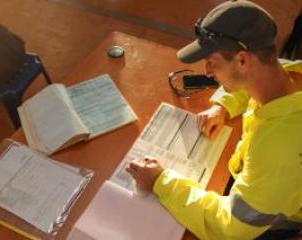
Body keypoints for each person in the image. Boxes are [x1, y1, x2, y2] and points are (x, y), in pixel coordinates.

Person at [126, 0, 302, 239]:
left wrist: (161, 182)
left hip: (274, 220)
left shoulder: (277, 147)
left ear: (242, 59)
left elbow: (231, 227)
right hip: (262, 181)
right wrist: (222, 106)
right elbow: (254, 80)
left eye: (212, 62)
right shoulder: (288, 72)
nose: (207, 72)